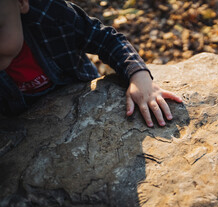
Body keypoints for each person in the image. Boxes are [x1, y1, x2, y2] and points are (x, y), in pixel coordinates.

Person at [0, 0, 183, 128]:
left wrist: (138, 76)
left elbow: (106, 39)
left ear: (21, 2)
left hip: (84, 98)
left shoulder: (50, 14)